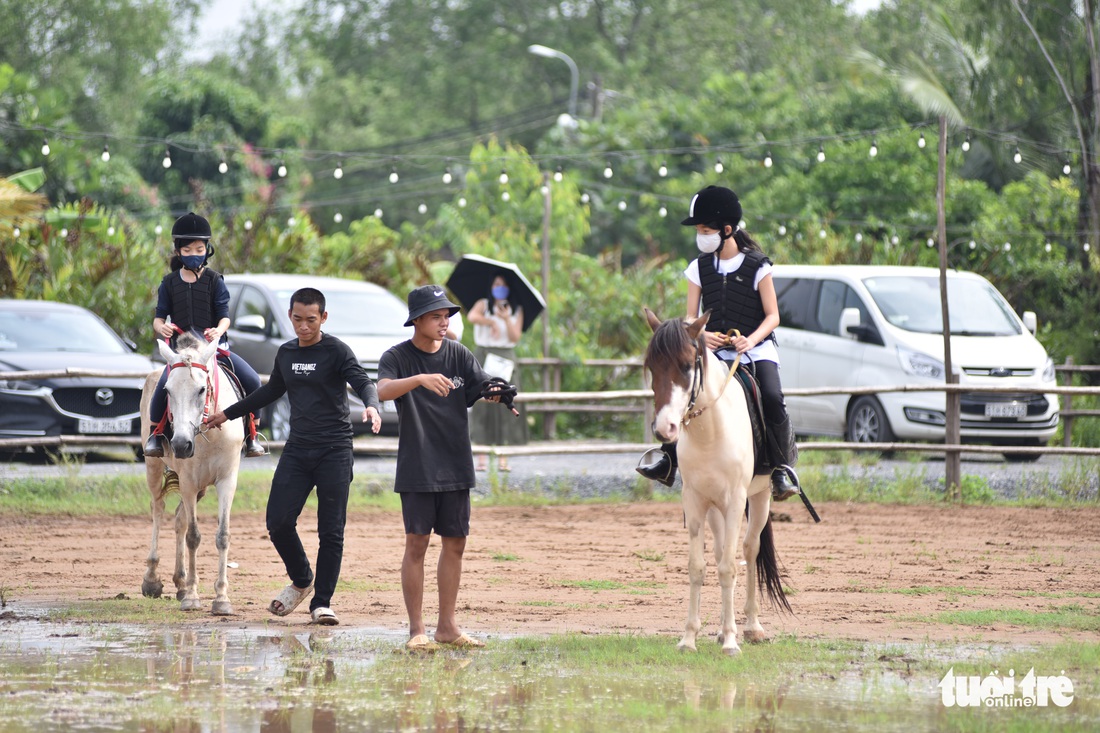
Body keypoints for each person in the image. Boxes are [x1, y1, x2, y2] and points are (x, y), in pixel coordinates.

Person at [205, 287, 382, 626]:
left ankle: (322, 602)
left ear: (323, 318)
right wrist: (227, 414)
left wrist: (372, 405)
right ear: (290, 316)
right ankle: (302, 579)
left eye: (311, 320)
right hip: (298, 450)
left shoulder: (337, 351)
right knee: (278, 521)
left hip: (334, 450)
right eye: (298, 319)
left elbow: (362, 381)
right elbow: (272, 390)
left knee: (331, 531)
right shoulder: (286, 353)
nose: (303, 326)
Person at [636, 185, 801, 502]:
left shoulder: (758, 266)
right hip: (710, 352)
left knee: (771, 395)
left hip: (755, 349)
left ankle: (782, 467)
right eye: (699, 229)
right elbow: (689, 317)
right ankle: (668, 457)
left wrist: (750, 340)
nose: (701, 235)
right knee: (683, 390)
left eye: (705, 229)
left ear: (727, 229)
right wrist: (700, 334)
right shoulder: (698, 268)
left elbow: (773, 316)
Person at [376, 284, 514, 650]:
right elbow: (383, 390)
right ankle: (416, 630)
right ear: (417, 320)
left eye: (447, 315)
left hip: (456, 461)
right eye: (436, 316)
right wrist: (420, 379)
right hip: (418, 463)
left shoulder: (458, 354)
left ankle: (448, 627)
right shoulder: (397, 357)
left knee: (455, 543)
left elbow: (481, 384)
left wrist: (497, 392)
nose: (444, 322)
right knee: (417, 544)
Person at [144, 211, 265, 459]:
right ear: (178, 251)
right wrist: (161, 327)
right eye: (187, 250)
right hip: (182, 352)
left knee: (252, 380)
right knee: (163, 387)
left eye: (199, 248)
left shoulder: (215, 280)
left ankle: (252, 434)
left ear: (207, 249)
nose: (194, 254)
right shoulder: (168, 283)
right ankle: (156, 434)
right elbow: (158, 318)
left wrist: (219, 330)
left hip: (212, 348)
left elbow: (224, 315)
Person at [466, 273, 528, 471]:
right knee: (481, 402)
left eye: (503, 285)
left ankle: (503, 456)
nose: (499, 288)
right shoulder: (483, 303)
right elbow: (471, 316)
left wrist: (505, 318)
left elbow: (515, 336)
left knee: (505, 402)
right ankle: (482, 456)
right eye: (496, 284)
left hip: (505, 357)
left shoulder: (516, 309)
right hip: (484, 354)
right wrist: (491, 321)